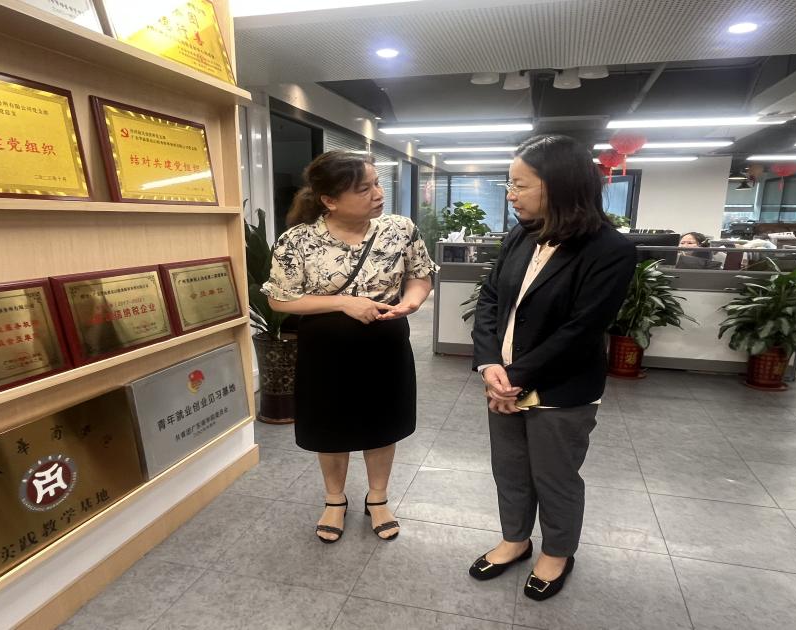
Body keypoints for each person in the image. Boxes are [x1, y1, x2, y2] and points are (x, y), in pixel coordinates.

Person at [469, 135, 635, 601]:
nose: (510, 194)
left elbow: (581, 330)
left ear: (559, 184)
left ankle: (557, 551)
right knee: (510, 468)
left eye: (520, 184)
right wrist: (489, 364)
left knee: (554, 475)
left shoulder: (609, 250)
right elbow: (490, 299)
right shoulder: (522, 234)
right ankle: (515, 540)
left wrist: (515, 377)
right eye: (509, 184)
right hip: (503, 379)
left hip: (561, 388)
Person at [262, 152, 437, 543]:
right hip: (325, 351)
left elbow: (420, 276)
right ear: (330, 200)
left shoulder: (400, 229)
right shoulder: (298, 240)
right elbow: (280, 299)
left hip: (386, 345)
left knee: (383, 423)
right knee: (329, 425)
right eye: (364, 188)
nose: (378, 194)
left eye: (377, 183)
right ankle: (334, 499)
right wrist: (343, 302)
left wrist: (411, 302)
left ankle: (378, 497)